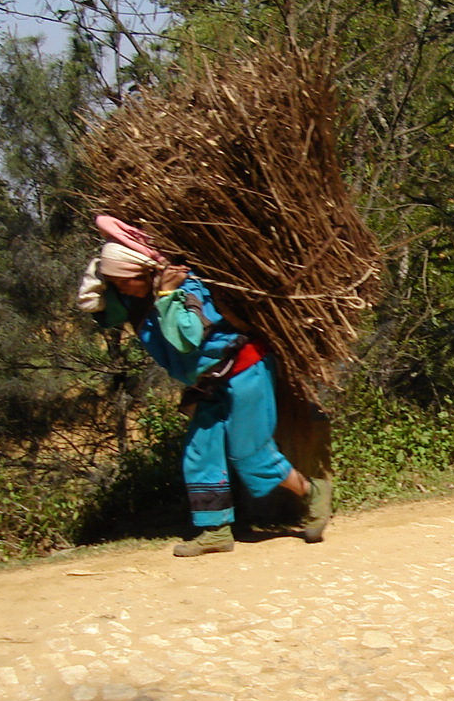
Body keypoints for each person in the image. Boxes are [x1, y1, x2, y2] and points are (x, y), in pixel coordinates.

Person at [77, 220, 323, 554]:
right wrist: (99, 274)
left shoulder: (186, 286)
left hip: (245, 371)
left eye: (124, 282)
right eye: (116, 284)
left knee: (251, 453)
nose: (122, 290)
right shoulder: (138, 294)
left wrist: (166, 295)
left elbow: (187, 339)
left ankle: (314, 495)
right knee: (200, 450)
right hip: (210, 384)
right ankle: (216, 531)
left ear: (142, 272)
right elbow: (99, 310)